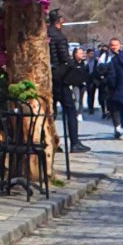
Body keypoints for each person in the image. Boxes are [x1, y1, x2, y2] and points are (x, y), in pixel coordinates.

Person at [47, 10, 90, 153]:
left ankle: (50, 140)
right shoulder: (59, 36)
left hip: (48, 74)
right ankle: (74, 142)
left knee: (50, 111)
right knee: (70, 109)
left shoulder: (47, 33)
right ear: (60, 20)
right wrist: (75, 66)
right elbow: (64, 58)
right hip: (60, 77)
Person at [98, 38, 123, 138]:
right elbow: (99, 69)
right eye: (112, 45)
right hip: (109, 86)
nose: (114, 47)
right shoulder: (105, 56)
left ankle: (121, 125)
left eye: (116, 45)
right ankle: (117, 127)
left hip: (122, 85)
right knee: (113, 107)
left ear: (119, 45)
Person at [85, 48, 100, 114]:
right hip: (88, 80)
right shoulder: (85, 62)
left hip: (95, 80)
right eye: (91, 54)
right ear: (87, 54)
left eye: (93, 54)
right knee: (90, 94)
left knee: (94, 94)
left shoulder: (96, 61)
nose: (92, 55)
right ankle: (90, 108)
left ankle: (93, 107)